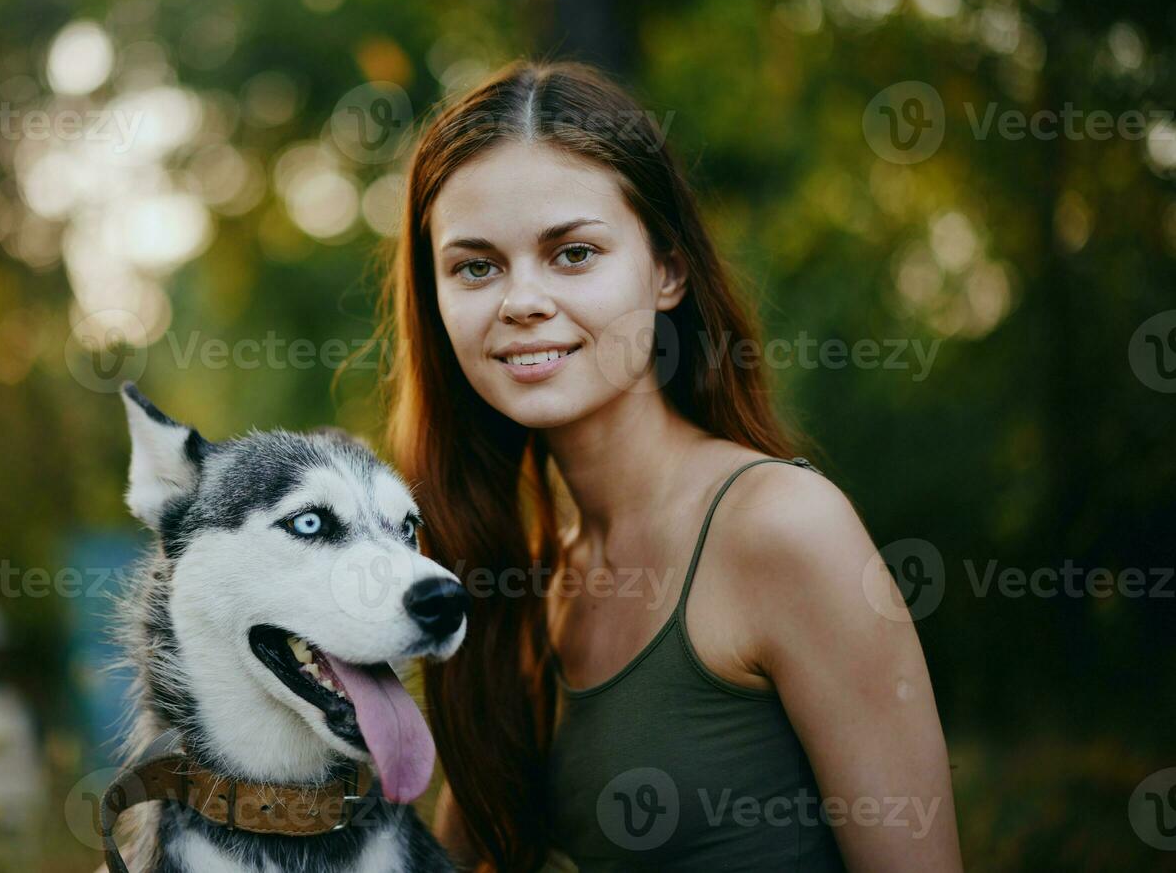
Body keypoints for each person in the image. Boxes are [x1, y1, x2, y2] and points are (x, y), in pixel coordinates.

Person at [377, 60, 962, 871]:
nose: (521, 300)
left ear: (667, 271)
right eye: (476, 266)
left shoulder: (783, 528)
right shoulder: (524, 584)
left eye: (573, 253)